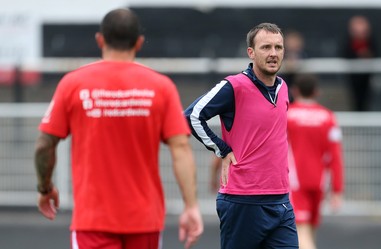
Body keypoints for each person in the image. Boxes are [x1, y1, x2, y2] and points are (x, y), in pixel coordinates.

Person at [34, 8, 203, 249]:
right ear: (139, 43)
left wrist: (45, 187)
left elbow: (44, 144)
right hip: (145, 222)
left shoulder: (73, 84)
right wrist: (191, 205)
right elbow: (181, 150)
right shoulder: (161, 87)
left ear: (100, 39)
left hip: (93, 221)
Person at [185, 22, 298, 249]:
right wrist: (222, 149)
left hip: (281, 201)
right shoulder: (234, 86)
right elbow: (191, 116)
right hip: (243, 201)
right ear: (251, 52)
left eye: (278, 47)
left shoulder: (284, 87)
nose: (273, 53)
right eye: (266, 47)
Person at [287, 74, 344, 249]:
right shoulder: (328, 118)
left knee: (302, 232)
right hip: (320, 182)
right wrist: (337, 190)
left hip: (295, 182)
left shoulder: (287, 115)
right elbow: (336, 156)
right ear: (317, 92)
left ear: (294, 91)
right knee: (309, 231)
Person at [341, 15, 378, 111]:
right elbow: (344, 54)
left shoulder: (372, 41)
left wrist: (367, 55)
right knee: (354, 100)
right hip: (353, 77)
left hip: (367, 76)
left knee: (366, 100)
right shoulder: (347, 41)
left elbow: (377, 53)